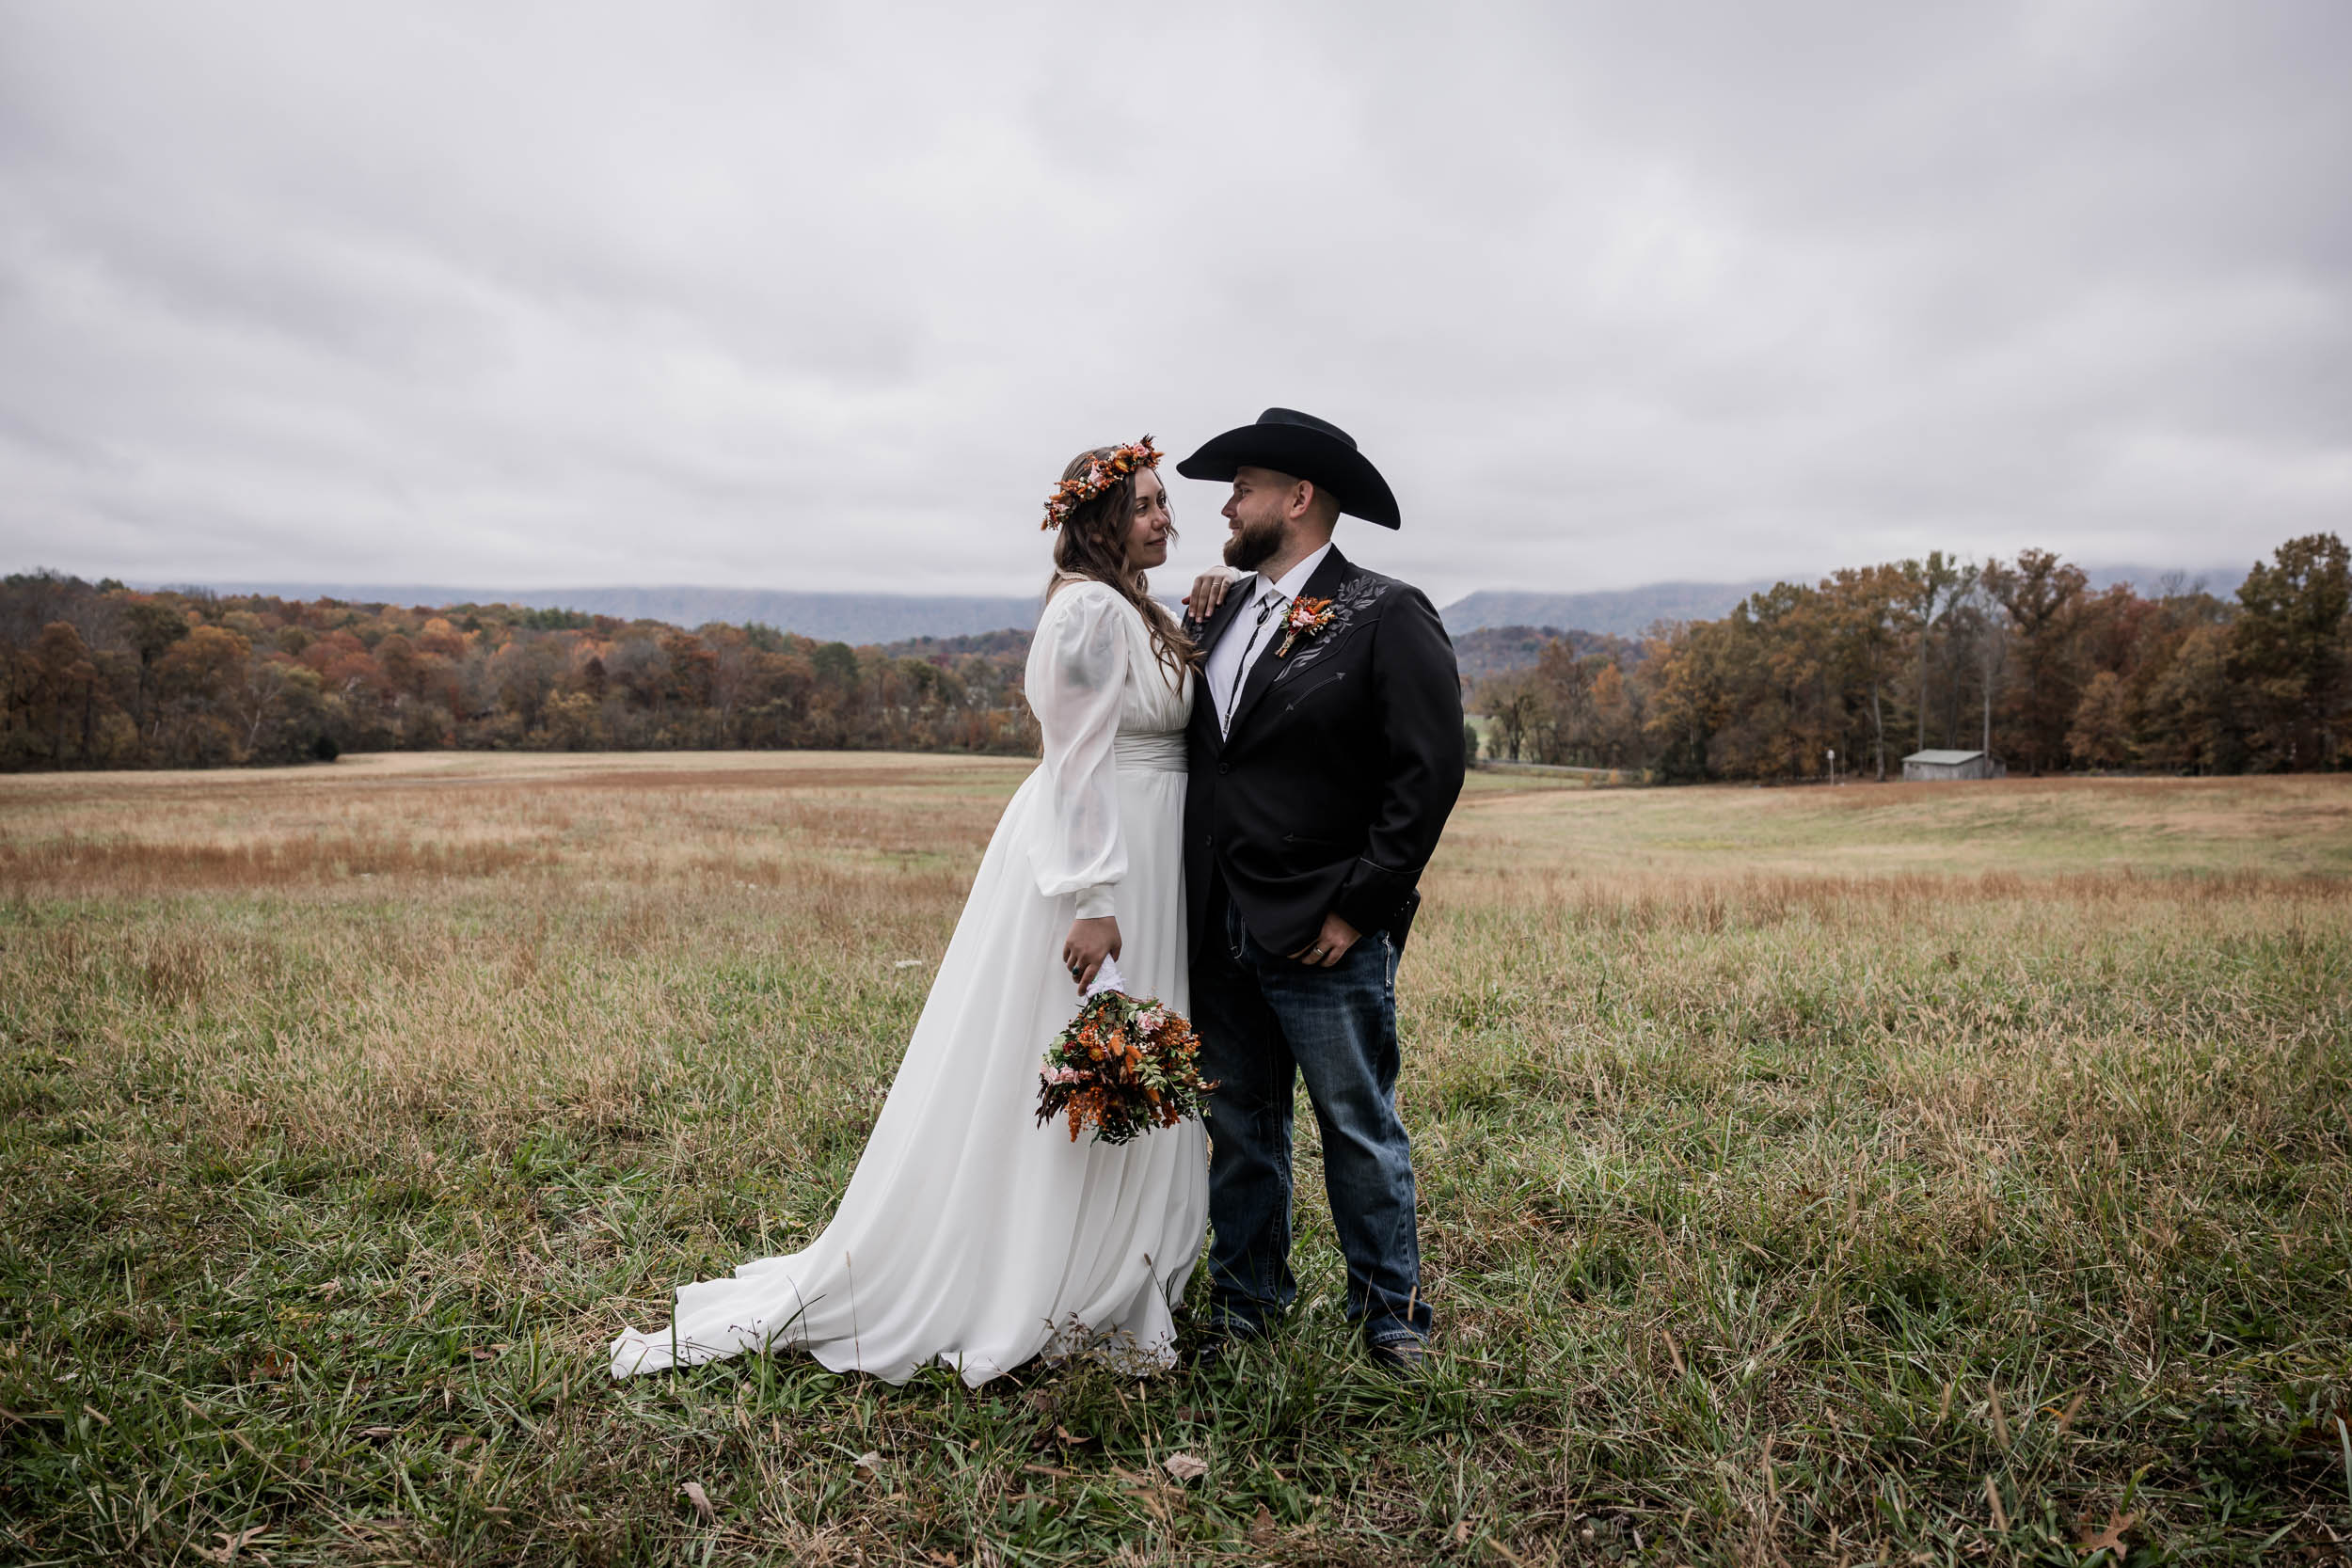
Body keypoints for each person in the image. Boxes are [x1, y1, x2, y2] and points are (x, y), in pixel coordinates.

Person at [611, 438, 1206, 1386]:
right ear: (1098, 522)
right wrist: (1095, 899)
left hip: (1150, 858)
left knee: (1131, 1049)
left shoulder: (1139, 606)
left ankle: (1115, 1258)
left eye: (1165, 503)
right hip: (1103, 864)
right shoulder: (1089, 611)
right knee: (1073, 1047)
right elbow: (1079, 760)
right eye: (1143, 506)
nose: (1164, 518)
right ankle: (1039, 1269)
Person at [1175, 408, 1465, 1376]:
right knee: (1240, 1126)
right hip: (1218, 922)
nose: (1227, 503)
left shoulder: (1387, 611)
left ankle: (1391, 1316)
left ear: (1297, 499)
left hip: (1324, 929)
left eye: (1244, 486)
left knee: (1356, 1124)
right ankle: (1247, 1301)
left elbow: (1424, 775)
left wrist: (1360, 906)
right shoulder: (1214, 612)